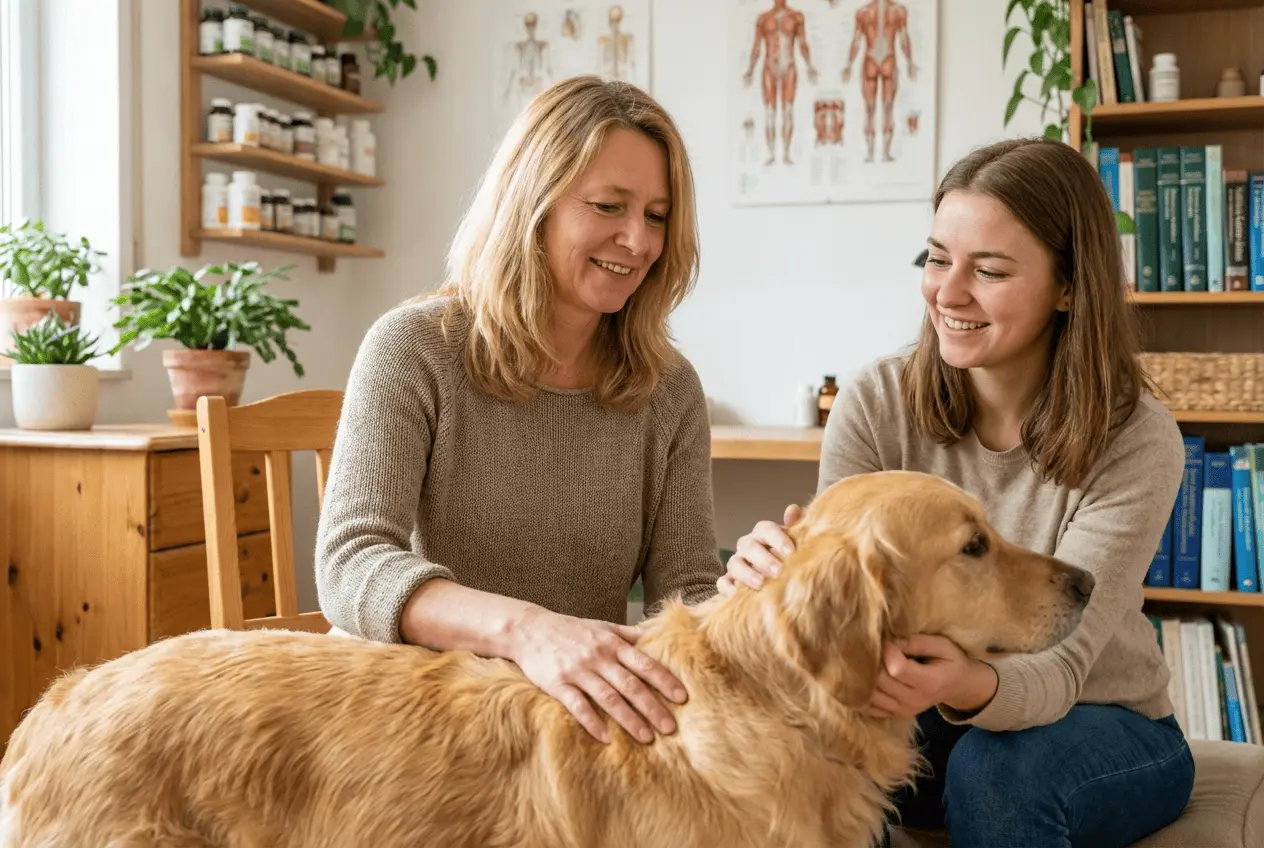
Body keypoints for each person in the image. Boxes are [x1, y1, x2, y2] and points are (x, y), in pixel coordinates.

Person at [718, 137, 1195, 847]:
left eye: (990, 270)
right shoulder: (874, 401)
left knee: (996, 772)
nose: (948, 291)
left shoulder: (1137, 439)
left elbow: (1060, 670)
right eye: (938, 258)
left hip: (1101, 717)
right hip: (924, 712)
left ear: (1068, 288)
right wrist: (775, 578)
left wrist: (964, 683)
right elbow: (853, 620)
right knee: (815, 757)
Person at [315, 75, 723, 748]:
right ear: (533, 203)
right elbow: (351, 564)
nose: (636, 240)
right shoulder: (413, 348)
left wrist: (765, 598)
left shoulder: (670, 390)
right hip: (412, 718)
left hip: (570, 731)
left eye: (656, 215)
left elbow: (685, 594)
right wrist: (529, 631)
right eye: (608, 205)